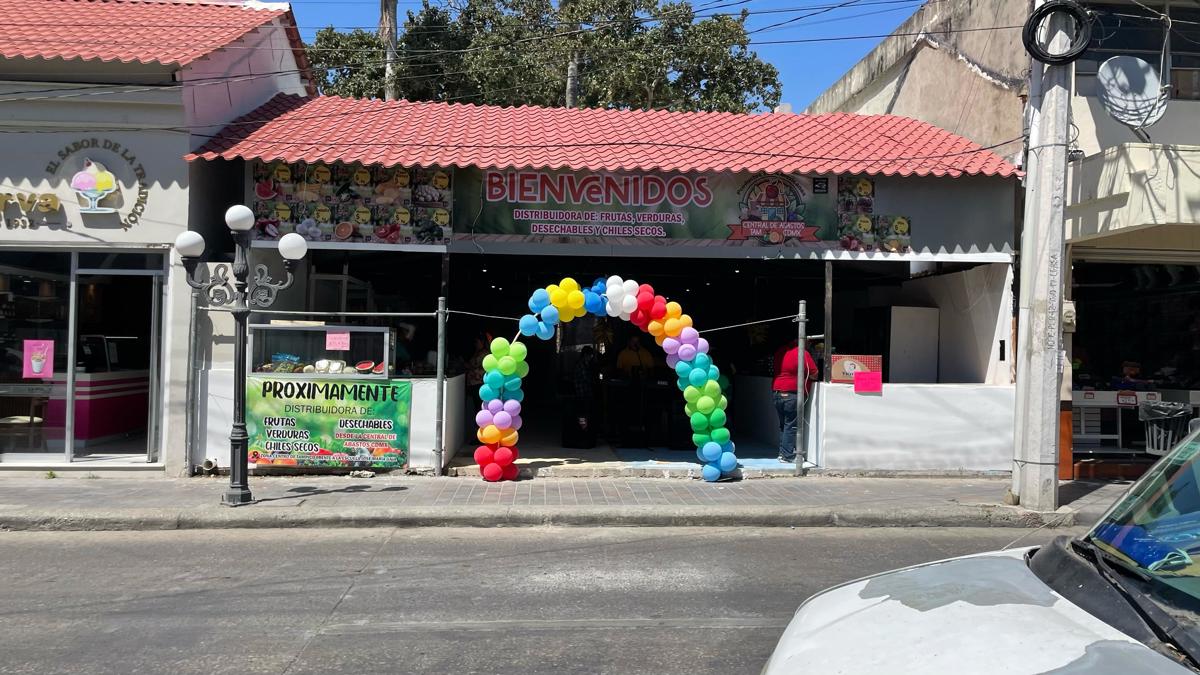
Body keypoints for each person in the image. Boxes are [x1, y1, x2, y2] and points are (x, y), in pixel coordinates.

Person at [772, 338, 818, 464]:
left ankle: (782, 453)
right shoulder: (801, 352)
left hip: (776, 391)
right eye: (809, 342)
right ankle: (788, 456)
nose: (809, 345)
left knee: (783, 425)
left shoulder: (780, 351)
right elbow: (814, 373)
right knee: (791, 425)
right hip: (791, 392)